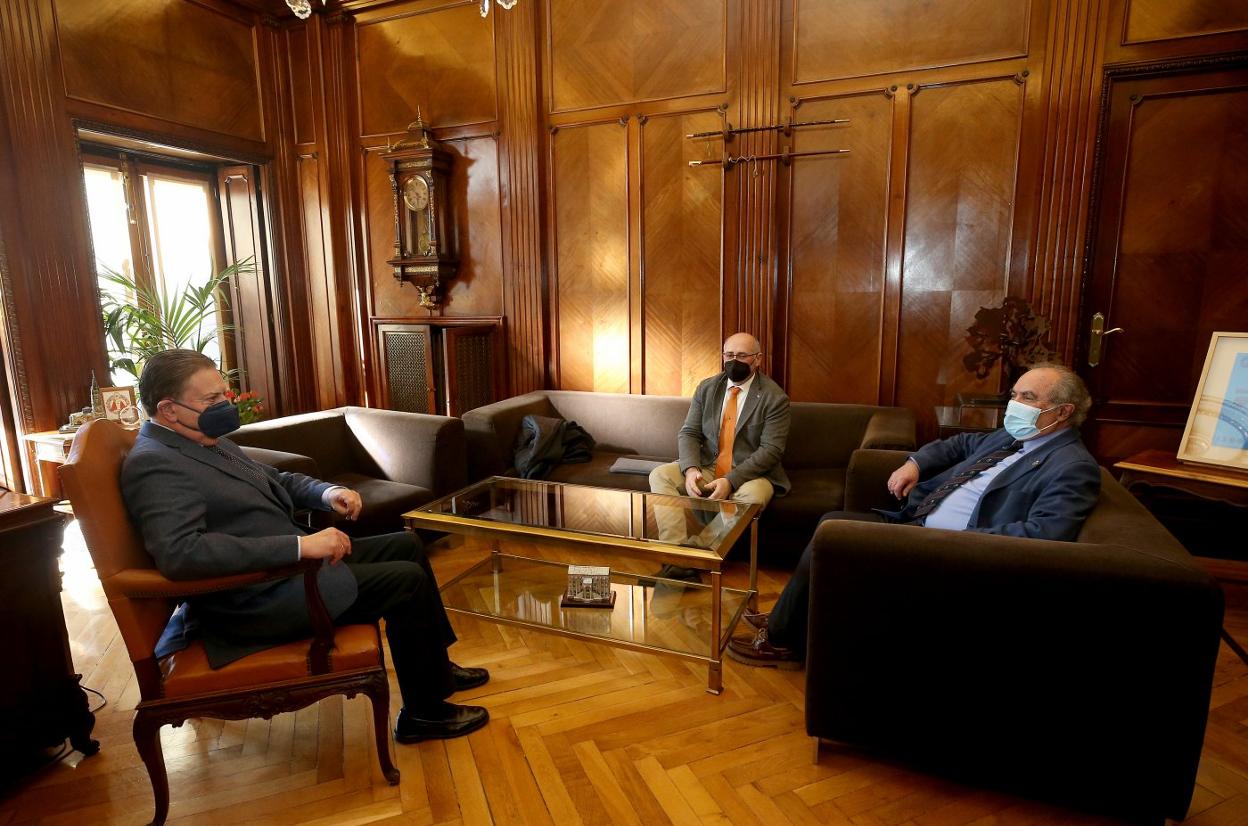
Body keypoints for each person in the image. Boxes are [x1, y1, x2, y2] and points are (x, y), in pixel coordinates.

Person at [121, 349, 489, 743]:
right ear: (169, 409)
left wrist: (328, 492)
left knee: (407, 546)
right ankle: (424, 714)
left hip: (284, 576)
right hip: (254, 600)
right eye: (212, 400)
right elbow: (182, 554)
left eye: (225, 395)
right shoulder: (156, 463)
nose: (225, 406)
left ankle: (434, 666)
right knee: (406, 579)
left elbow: (276, 479)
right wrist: (300, 548)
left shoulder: (203, 440)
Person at [728, 363, 1101, 668]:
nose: (1014, 404)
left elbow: (1045, 534)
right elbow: (959, 443)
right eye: (1015, 394)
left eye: (1028, 398)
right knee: (831, 520)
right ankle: (790, 623)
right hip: (917, 522)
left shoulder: (1072, 466)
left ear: (1063, 412)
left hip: (949, 550)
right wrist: (915, 463)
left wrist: (962, 541)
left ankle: (780, 640)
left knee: (832, 534)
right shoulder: (1013, 437)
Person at [648, 332, 791, 578]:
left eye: (742, 355)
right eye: (729, 355)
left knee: (752, 496)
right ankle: (674, 554)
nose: (734, 360)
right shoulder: (708, 387)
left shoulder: (773, 397)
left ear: (757, 359)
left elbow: (771, 451)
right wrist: (691, 469)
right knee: (661, 475)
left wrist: (731, 480)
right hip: (707, 464)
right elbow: (689, 432)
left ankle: (696, 555)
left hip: (752, 472)